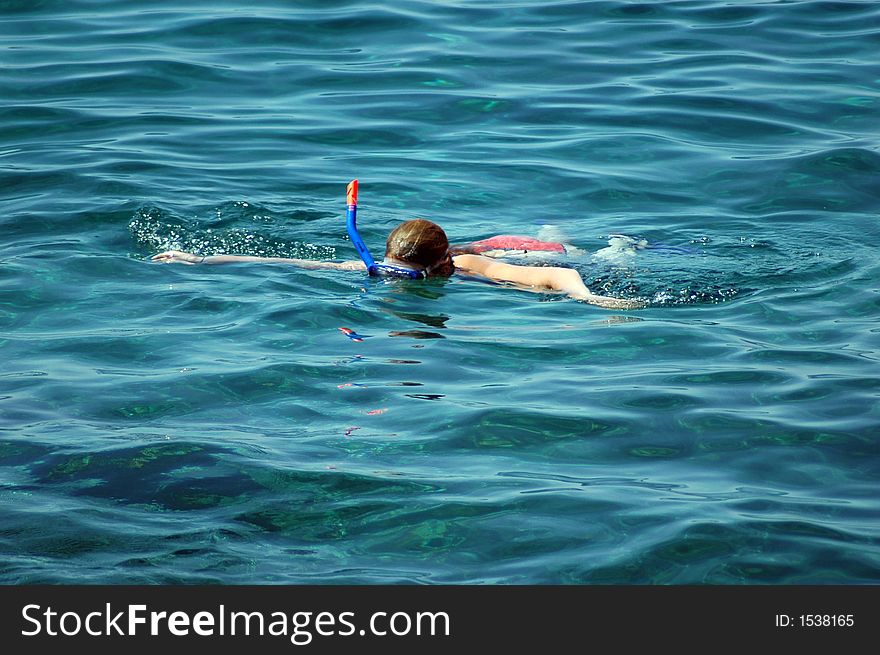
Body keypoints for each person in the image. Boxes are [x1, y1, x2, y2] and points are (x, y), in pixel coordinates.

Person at [152, 218, 645, 309]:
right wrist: (203, 259)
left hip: (515, 249)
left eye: (402, 276)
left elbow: (559, 277)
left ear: (440, 270)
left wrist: (593, 297)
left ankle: (616, 241)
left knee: (587, 250)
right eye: (387, 271)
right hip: (462, 246)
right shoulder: (388, 266)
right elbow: (294, 264)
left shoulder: (475, 268)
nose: (391, 282)